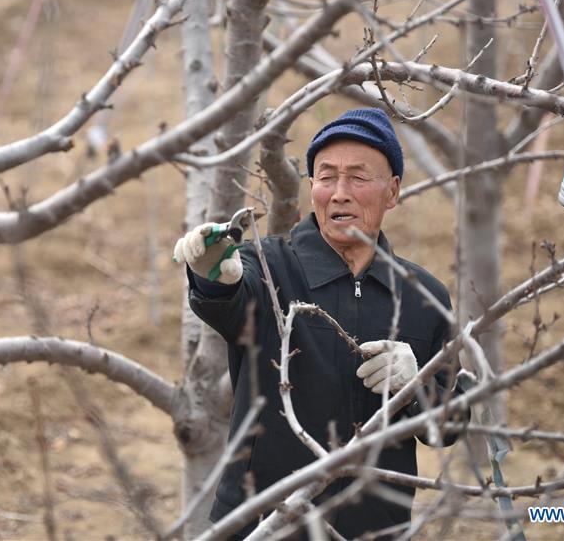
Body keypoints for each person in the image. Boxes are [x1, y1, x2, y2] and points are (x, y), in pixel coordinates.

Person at [173, 108, 466, 538]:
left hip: (375, 530)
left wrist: (417, 387)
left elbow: (449, 427)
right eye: (326, 177)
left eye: (358, 177)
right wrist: (213, 276)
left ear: (393, 191)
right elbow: (228, 300)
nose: (339, 193)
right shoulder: (267, 268)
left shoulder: (423, 297)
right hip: (263, 526)